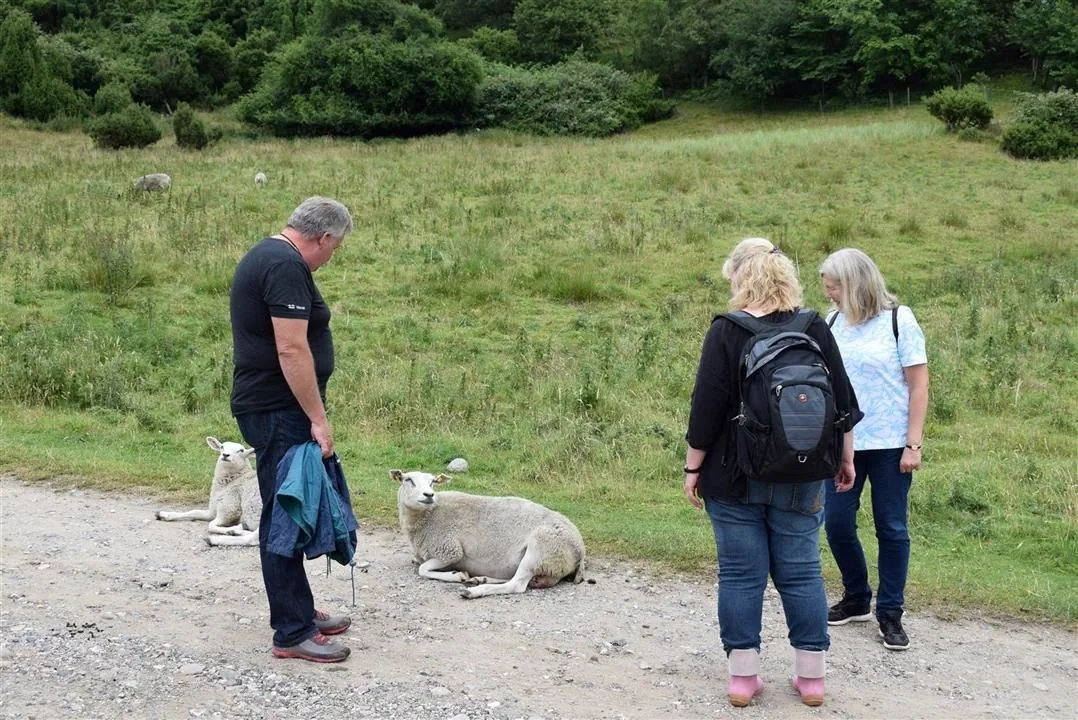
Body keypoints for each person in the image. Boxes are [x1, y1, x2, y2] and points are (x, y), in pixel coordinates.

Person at [683, 238, 861, 708]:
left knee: (741, 575)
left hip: (732, 474)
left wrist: (692, 467)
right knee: (802, 574)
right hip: (804, 475)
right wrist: (846, 458)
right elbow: (842, 403)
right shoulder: (814, 326)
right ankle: (811, 680)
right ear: (788, 281)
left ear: (743, 281)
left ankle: (743, 679)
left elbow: (706, 409)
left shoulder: (726, 330)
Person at [230, 196, 354, 663]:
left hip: (274, 406)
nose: (330, 258)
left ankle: (298, 608)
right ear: (323, 237)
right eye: (334, 248)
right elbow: (292, 350)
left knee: (293, 509)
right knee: (286, 515)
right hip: (279, 410)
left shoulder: (267, 255)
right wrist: (318, 418)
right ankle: (293, 630)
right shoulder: (284, 266)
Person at [819, 248, 929, 652]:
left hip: (889, 446)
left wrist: (912, 443)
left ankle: (891, 613)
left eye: (833, 286)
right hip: (844, 443)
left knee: (892, 528)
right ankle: (856, 596)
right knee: (837, 524)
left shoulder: (900, 321)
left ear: (853, 284)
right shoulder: (831, 323)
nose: (828, 293)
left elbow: (918, 386)